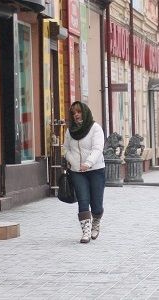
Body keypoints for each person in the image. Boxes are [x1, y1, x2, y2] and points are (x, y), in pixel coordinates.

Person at [63, 101, 106, 244]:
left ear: (85, 112)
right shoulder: (69, 131)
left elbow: (98, 148)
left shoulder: (95, 128)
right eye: (74, 113)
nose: (76, 115)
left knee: (97, 204)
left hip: (96, 170)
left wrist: (88, 163)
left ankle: (96, 222)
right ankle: (86, 232)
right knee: (83, 200)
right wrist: (72, 161)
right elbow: (66, 149)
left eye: (79, 112)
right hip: (77, 171)